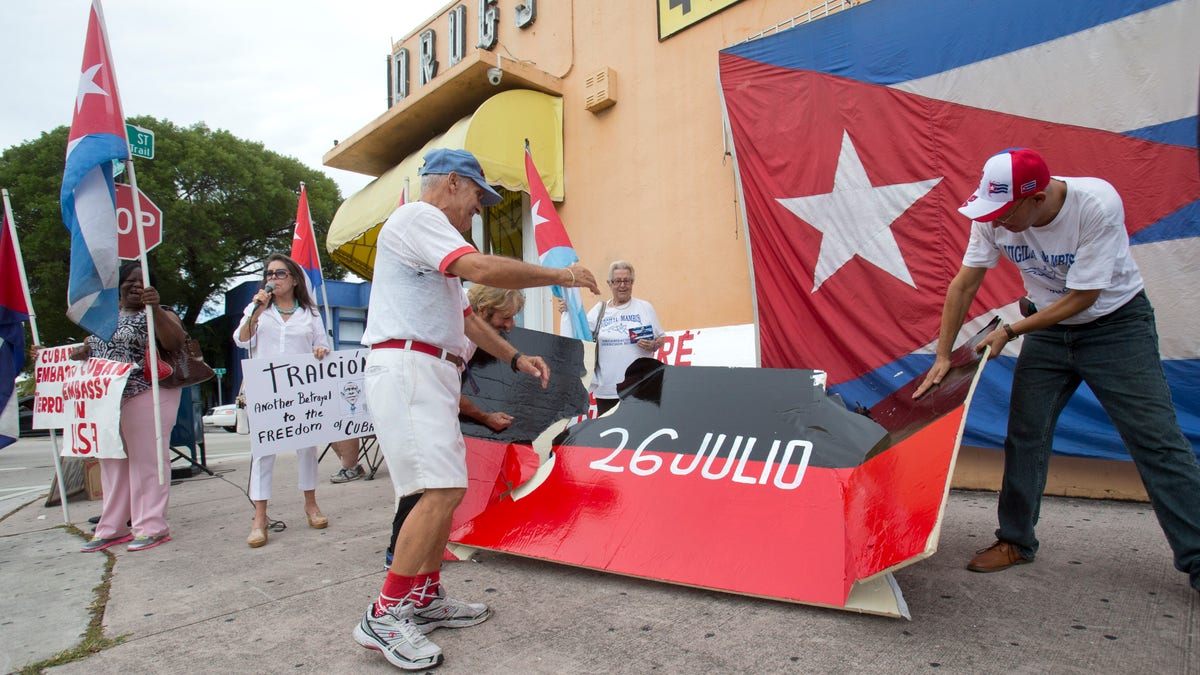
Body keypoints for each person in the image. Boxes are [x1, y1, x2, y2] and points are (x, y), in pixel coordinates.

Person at [352, 148, 598, 671]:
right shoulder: (420, 217)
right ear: (450, 183)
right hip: (408, 365)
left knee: (444, 489)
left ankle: (423, 596)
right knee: (438, 491)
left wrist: (514, 357)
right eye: (477, 197)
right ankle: (385, 611)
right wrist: (563, 276)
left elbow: (467, 319)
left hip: (429, 369)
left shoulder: (431, 240)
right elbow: (482, 269)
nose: (480, 210)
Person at [914, 147, 1200, 592]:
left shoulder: (1096, 205)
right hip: (1047, 327)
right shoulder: (992, 215)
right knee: (1026, 434)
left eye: (1007, 213)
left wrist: (1010, 331)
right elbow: (965, 282)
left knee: (1157, 442)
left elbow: (1084, 298)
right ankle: (1015, 540)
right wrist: (943, 355)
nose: (997, 222)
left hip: (1115, 327)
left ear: (1039, 198)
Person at [382, 284, 524, 568]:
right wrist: (485, 416)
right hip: (415, 396)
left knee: (435, 483)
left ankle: (415, 559)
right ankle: (398, 554)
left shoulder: (468, 325)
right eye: (505, 318)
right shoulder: (453, 331)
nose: (510, 325)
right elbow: (446, 389)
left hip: (425, 396)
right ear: (483, 311)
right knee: (427, 483)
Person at [78, 262, 186, 553]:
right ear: (120, 285)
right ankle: (112, 527)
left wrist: (155, 309)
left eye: (143, 280)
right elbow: (92, 349)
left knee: (148, 462)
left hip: (146, 393)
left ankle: (151, 526)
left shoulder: (159, 313)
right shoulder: (104, 319)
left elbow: (175, 342)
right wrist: (76, 351)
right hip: (108, 401)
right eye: (131, 280)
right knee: (112, 464)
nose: (137, 285)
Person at [234, 253, 333, 548]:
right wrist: (256, 311)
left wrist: (320, 352)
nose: (273, 279)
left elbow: (322, 345)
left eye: (279, 274)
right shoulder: (258, 309)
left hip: (300, 392)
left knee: (307, 447)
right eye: (269, 274)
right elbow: (241, 339)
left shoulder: (310, 313)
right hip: (266, 389)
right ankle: (260, 517)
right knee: (263, 452)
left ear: (293, 279)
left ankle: (311, 505)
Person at [583, 261, 664, 416]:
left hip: (640, 388)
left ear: (632, 283)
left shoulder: (644, 308)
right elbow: (580, 334)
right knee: (607, 436)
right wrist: (567, 310)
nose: (622, 285)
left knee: (639, 433)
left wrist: (653, 345)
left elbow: (661, 338)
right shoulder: (599, 310)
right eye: (617, 281)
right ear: (609, 284)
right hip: (607, 390)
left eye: (627, 281)